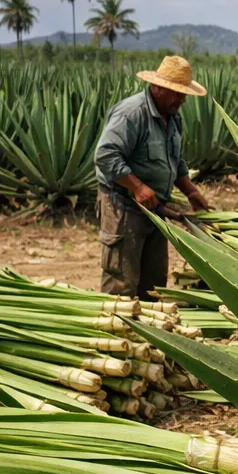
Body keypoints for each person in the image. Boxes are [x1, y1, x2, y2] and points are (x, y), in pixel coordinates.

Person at [94, 55, 211, 297]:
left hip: (156, 207)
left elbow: (175, 160)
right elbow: (105, 155)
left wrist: (191, 191)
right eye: (177, 93)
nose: (182, 100)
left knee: (154, 283)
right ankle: (118, 320)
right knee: (122, 282)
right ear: (158, 88)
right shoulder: (132, 113)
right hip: (124, 206)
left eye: (184, 94)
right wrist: (137, 187)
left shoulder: (173, 117)